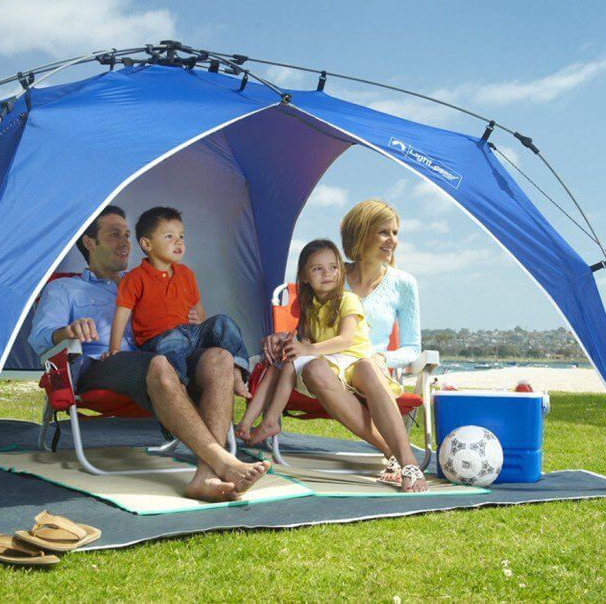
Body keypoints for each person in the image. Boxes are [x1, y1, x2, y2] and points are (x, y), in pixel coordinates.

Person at [30, 205, 269, 502]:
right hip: (103, 364)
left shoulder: (146, 278)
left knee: (219, 357)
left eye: (127, 235)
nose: (124, 242)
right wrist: (66, 331)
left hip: (162, 358)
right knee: (158, 363)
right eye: (114, 234)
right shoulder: (66, 289)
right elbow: (40, 338)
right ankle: (224, 461)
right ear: (89, 243)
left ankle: (205, 476)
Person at [259, 199, 427, 492]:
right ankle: (390, 451)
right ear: (361, 234)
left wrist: (380, 356)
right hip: (326, 364)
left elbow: (412, 347)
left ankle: (408, 461)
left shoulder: (404, 283)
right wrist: (279, 338)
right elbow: (303, 330)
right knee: (315, 369)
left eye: (395, 233)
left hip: (369, 365)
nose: (393, 241)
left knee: (365, 365)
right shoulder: (329, 272)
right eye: (384, 233)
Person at [237, 239, 374, 448]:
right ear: (304, 276)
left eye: (333, 267)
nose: (327, 273)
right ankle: (245, 423)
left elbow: (346, 340)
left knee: (291, 364)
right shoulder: (311, 305)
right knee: (277, 366)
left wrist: (307, 349)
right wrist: (292, 344)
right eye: (318, 269)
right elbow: (308, 340)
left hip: (352, 361)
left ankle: (270, 421)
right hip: (327, 360)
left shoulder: (349, 299)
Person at [107, 206, 251, 397]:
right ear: (147, 244)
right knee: (172, 342)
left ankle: (237, 373)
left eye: (181, 236)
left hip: (191, 334)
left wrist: (200, 324)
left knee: (223, 322)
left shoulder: (186, 274)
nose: (178, 241)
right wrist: (114, 349)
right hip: (159, 339)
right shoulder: (135, 277)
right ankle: (180, 392)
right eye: (169, 236)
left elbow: (198, 308)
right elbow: (122, 313)